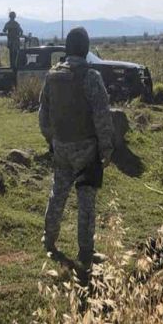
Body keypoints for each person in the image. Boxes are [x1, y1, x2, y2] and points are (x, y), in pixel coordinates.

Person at [38, 27, 114, 279]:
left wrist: (52, 139)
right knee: (86, 202)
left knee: (57, 193)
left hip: (61, 145)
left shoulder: (52, 76)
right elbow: (102, 117)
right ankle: (85, 252)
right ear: (86, 49)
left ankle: (49, 241)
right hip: (86, 149)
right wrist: (106, 149)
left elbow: (43, 114)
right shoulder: (91, 77)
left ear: (68, 48)